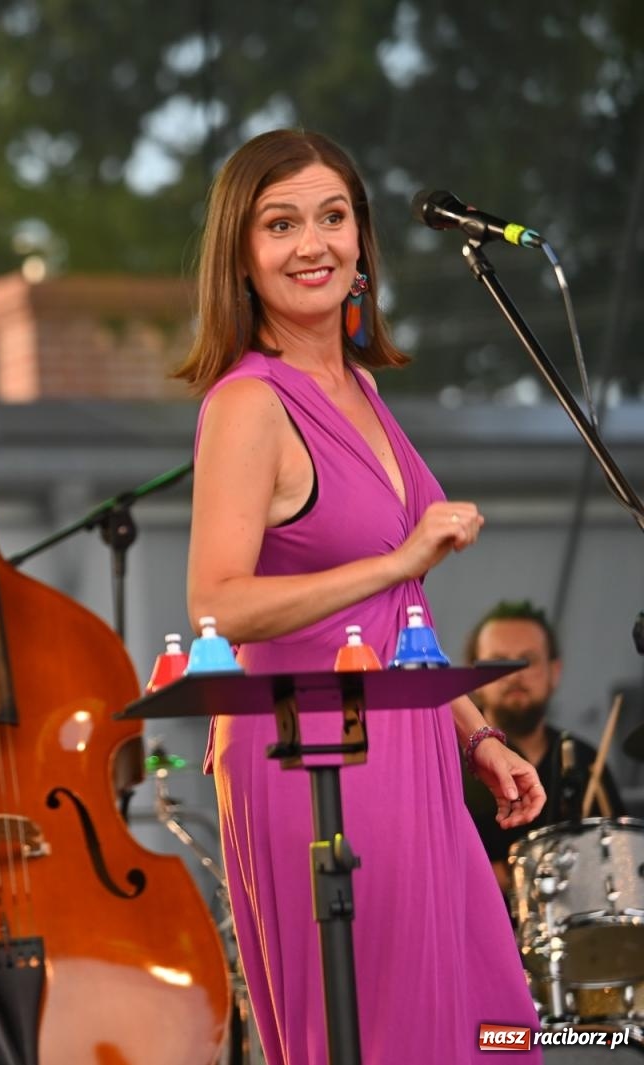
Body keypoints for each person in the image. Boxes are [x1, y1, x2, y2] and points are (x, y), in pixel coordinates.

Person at [176, 128, 546, 1063]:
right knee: (385, 1034)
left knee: (491, 1025)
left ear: (362, 241)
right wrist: (398, 558)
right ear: (241, 257)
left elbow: (393, 621)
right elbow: (217, 602)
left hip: (413, 746)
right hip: (312, 759)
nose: (314, 244)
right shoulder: (248, 403)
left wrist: (479, 734)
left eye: (333, 217)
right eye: (282, 223)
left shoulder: (361, 388)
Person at [461, 599, 626, 896]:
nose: (515, 674)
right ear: (475, 675)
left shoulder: (586, 758)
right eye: (500, 661)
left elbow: (617, 863)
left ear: (555, 671)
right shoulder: (448, 762)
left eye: (528, 660)